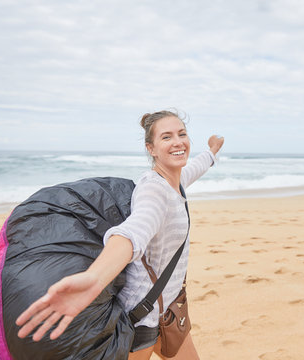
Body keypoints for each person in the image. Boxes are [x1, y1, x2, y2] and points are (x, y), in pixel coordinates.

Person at [15, 110, 224, 360]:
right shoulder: (153, 190)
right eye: (166, 137)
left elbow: (195, 167)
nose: (178, 142)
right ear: (151, 148)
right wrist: (94, 278)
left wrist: (212, 151)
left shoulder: (175, 181)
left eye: (182, 134)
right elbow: (133, 231)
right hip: (142, 318)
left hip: (168, 310)